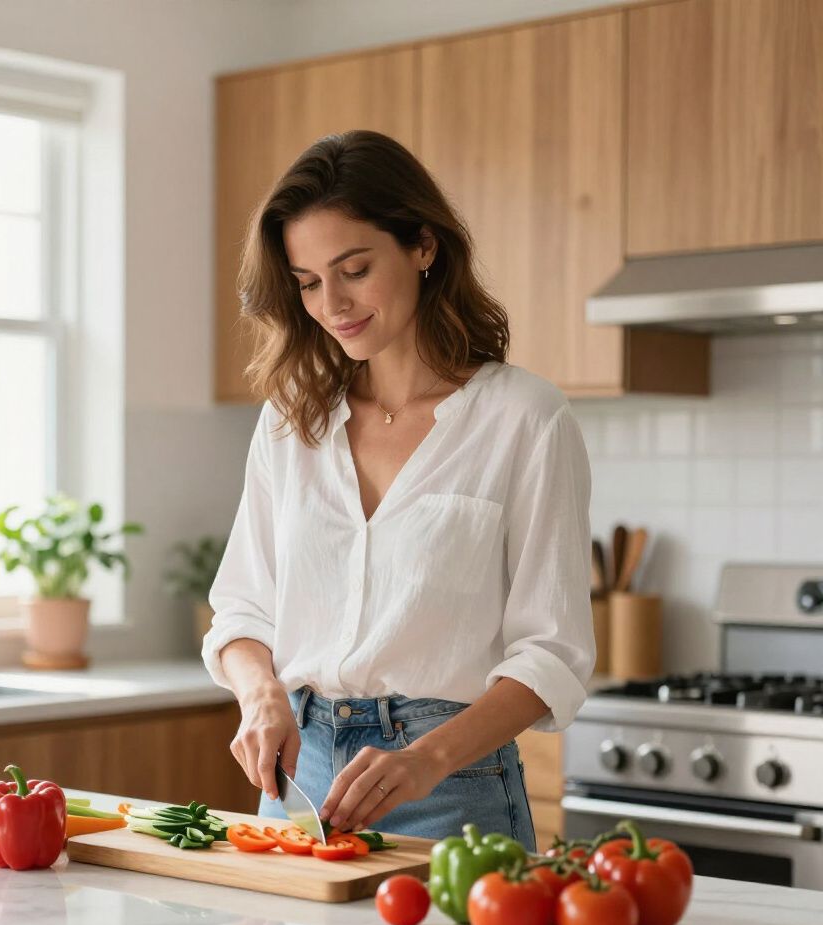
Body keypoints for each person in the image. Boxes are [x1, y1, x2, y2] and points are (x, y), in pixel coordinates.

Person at [201, 129, 594, 845]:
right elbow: (240, 609)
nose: (332, 303)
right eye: (308, 282)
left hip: (453, 786)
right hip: (298, 780)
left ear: (422, 246)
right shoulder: (292, 421)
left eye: (354, 269)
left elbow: (553, 654)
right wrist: (260, 695)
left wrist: (425, 760)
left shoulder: (524, 418)